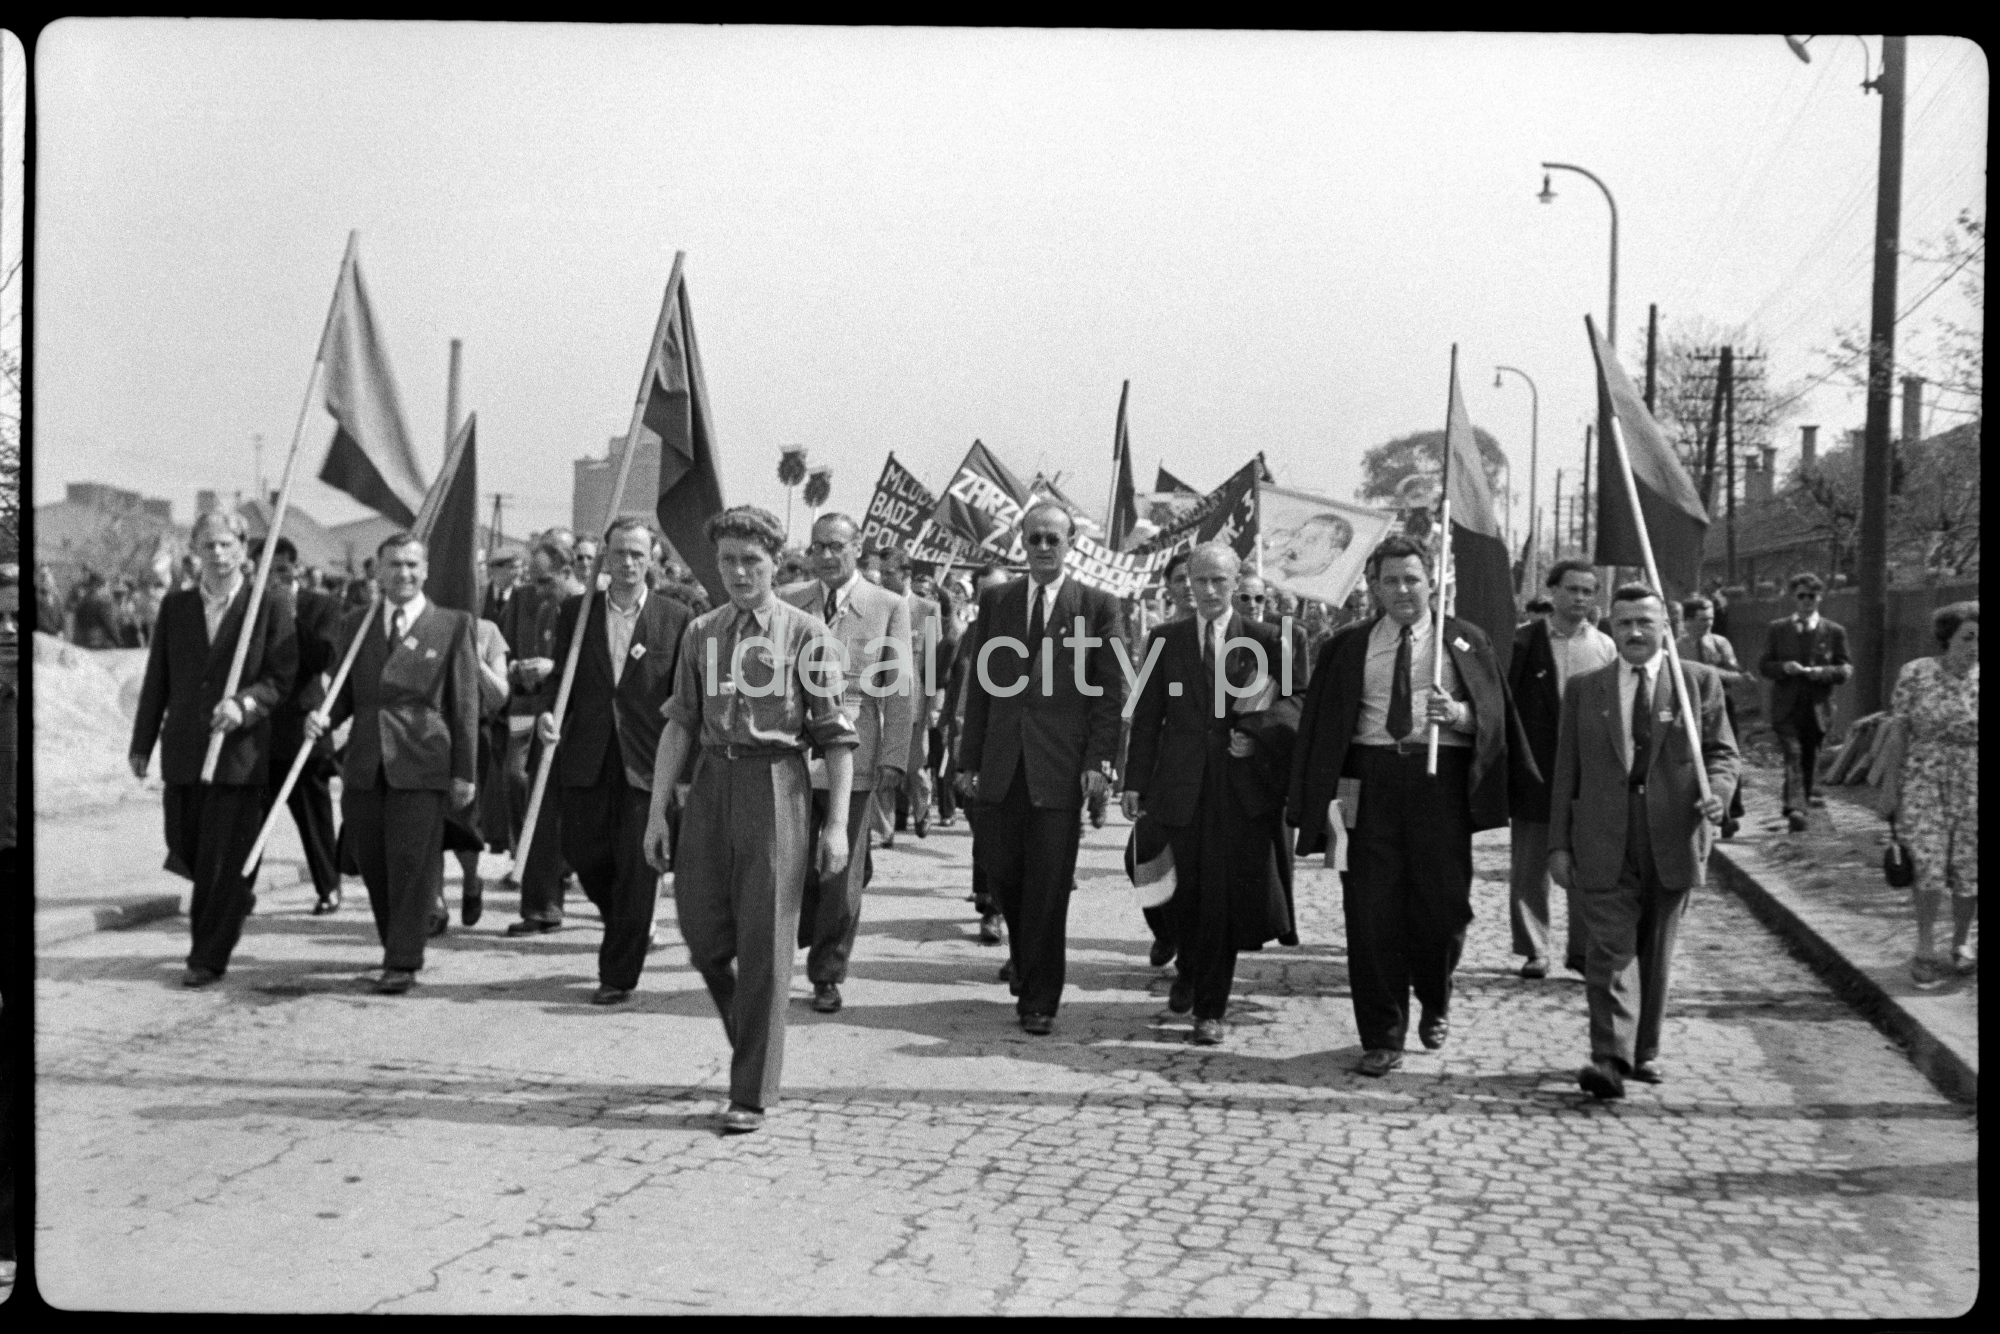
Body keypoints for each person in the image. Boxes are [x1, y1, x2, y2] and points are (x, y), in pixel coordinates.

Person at [641, 505, 859, 1135]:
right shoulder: (702, 632)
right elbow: (680, 722)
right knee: (702, 928)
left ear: (775, 561)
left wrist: (837, 827)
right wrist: (659, 809)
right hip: (710, 783)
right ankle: (756, 1040)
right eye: (728, 560)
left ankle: (751, 1091)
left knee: (765, 940)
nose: (738, 572)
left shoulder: (806, 636)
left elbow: (837, 740)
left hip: (777, 785)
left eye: (751, 561)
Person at [1288, 536, 1532, 1076]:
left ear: (1431, 582)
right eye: (1390, 580)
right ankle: (1382, 1033)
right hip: (1367, 785)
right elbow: (1319, 730)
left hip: (1438, 784)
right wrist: (1313, 803)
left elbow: (1496, 719)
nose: (1402, 590)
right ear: (1373, 586)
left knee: (1443, 910)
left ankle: (1436, 994)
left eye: (1412, 579)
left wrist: (1461, 714)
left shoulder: (1464, 641)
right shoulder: (1346, 645)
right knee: (1370, 913)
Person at [1548, 585, 1738, 1099]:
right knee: (1610, 948)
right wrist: (1558, 845)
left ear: (1665, 629)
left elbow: (1723, 754)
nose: (1634, 632)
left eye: (1645, 623)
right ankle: (1609, 1057)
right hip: (1603, 833)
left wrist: (1717, 793)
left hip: (1674, 831)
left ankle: (1644, 1052)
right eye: (1624, 622)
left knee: (1656, 949)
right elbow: (1567, 770)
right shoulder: (1586, 689)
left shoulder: (1697, 683)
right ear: (1610, 625)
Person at [957, 501, 1125, 1035]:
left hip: (1060, 767)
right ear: (1021, 544)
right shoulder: (998, 601)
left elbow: (1109, 691)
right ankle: (1028, 964)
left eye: (1054, 538)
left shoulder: (1098, 606)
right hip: (1003, 763)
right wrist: (968, 759)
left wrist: (1099, 762)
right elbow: (982, 686)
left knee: (1050, 885)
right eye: (1034, 540)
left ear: (1072, 541)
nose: (1044, 548)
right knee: (1003, 873)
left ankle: (1039, 999)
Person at [1122, 544, 1300, 1045]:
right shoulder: (1165, 639)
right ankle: (1187, 962)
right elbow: (1147, 716)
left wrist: (1258, 731)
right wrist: (1134, 781)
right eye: (1200, 581)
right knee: (1172, 889)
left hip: (1237, 789)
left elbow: (1294, 702)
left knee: (1219, 898)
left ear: (1236, 581)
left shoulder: (1265, 639)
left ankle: (1210, 1009)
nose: (1210, 591)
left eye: (1220, 581)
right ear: (1186, 585)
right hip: (1176, 787)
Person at [128, 510, 299, 987]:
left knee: (221, 861)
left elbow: (281, 678)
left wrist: (245, 705)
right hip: (183, 748)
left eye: (227, 545)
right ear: (195, 551)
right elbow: (157, 679)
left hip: (238, 756)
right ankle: (234, 899)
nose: (218, 555)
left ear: (244, 549)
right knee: (185, 847)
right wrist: (141, 742)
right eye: (209, 546)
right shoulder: (176, 608)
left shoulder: (268, 604)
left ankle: (206, 954)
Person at [305, 534, 478, 994]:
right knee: (373, 860)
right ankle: (396, 942)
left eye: (412, 565)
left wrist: (465, 771)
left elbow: (465, 704)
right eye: (394, 565)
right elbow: (341, 692)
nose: (403, 574)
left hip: (422, 759)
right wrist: (322, 717)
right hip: (364, 760)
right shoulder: (357, 623)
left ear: (425, 571)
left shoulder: (452, 625)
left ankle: (403, 958)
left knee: (412, 862)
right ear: (377, 572)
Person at [532, 518, 693, 1003]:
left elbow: (683, 700)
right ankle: (628, 920)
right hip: (586, 755)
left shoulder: (676, 617)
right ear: (603, 557)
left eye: (637, 555)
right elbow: (560, 676)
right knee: (585, 855)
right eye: (619, 553)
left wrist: (684, 774)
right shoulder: (575, 613)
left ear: (653, 562)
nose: (627, 563)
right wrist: (546, 711)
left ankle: (617, 974)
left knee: (639, 865)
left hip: (648, 762)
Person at [778, 512, 914, 1014]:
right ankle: (816, 925)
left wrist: (895, 758)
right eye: (818, 547)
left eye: (837, 545)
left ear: (858, 547)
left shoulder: (887, 607)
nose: (827, 555)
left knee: (839, 873)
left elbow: (900, 690)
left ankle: (826, 973)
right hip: (795, 751)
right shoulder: (791, 600)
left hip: (856, 752)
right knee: (796, 865)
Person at [1506, 559, 1619, 979]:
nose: (1581, 599)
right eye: (1572, 589)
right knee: (1530, 865)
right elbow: (1508, 707)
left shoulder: (1606, 647)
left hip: (1590, 773)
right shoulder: (1523, 643)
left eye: (1589, 591)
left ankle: (1583, 951)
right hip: (1536, 770)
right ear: (1553, 592)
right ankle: (1534, 948)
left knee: (1588, 861)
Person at [1882, 601, 1978, 984]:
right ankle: (1924, 947)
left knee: (1970, 865)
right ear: (1947, 639)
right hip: (1923, 779)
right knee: (1927, 862)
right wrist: (1890, 787)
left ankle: (1961, 943)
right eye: (1968, 638)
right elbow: (1899, 730)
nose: (1976, 646)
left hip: (1973, 782)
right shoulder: (1917, 673)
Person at [250, 537, 345, 915]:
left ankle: (328, 887)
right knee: (249, 819)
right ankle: (239, 891)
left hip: (302, 728)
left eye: (282, 570)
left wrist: (289, 615)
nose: (274, 578)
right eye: (266, 571)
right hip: (256, 731)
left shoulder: (320, 606)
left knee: (313, 815)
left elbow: (323, 656)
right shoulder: (247, 608)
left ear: (296, 569)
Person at [501, 536, 577, 933]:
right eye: (534, 581)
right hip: (535, 712)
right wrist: (520, 670)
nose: (539, 590)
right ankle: (541, 905)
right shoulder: (530, 600)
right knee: (531, 796)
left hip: (583, 721)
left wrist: (556, 667)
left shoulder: (586, 609)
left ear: (568, 573)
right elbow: (508, 647)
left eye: (546, 581)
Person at [1757, 572, 1851, 832]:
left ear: (1819, 598)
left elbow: (1845, 669)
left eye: (1812, 596)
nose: (1807, 601)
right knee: (1793, 754)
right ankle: (1796, 808)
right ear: (1793, 598)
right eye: (1801, 596)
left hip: (1818, 707)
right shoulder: (1777, 629)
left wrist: (1824, 673)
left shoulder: (1834, 631)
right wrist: (1784, 667)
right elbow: (1764, 665)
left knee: (1810, 756)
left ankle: (1801, 803)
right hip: (1786, 706)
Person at [949, 562, 1012, 946]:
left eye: (1000, 592)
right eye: (986, 593)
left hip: (1019, 749)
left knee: (1006, 832)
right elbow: (960, 686)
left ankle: (997, 910)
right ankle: (990, 898)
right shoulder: (972, 633)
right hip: (976, 745)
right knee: (984, 827)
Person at [879, 547, 941, 843]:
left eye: (888, 573)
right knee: (882, 764)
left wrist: (933, 707)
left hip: (914, 702)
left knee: (914, 765)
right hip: (879, 700)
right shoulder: (874, 603)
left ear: (906, 574)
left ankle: (922, 807)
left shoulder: (927, 609)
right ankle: (885, 829)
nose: (882, 578)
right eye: (880, 572)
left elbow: (932, 664)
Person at [1677, 595, 1751, 839]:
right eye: (1701, 620)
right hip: (1688, 706)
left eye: (1710, 619)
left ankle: (1728, 812)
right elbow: (1691, 674)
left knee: (1727, 754)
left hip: (1719, 704)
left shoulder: (1720, 643)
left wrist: (1736, 673)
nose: (1708, 624)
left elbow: (1732, 668)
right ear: (1687, 621)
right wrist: (1723, 675)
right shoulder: (1677, 645)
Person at [481, 550, 520, 626]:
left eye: (517, 568)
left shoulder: (520, 596)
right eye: (512, 567)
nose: (517, 572)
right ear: (496, 569)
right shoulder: (480, 593)